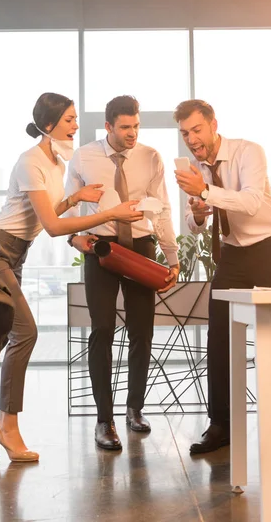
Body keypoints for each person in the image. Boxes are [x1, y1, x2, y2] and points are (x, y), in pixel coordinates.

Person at [0, 92, 143, 462]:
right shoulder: (30, 162)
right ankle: (6, 427)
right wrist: (111, 214)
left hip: (14, 254)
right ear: (48, 125)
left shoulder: (55, 162)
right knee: (25, 332)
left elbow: (47, 210)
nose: (76, 125)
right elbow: (54, 226)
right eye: (70, 119)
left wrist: (76, 199)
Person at [174, 99, 271, 457]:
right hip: (233, 255)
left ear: (213, 124)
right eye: (185, 133)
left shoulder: (248, 152)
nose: (192, 139)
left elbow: (251, 202)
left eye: (196, 129)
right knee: (219, 337)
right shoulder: (197, 169)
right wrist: (198, 212)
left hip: (270, 248)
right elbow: (194, 228)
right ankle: (221, 425)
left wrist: (204, 192)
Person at [65, 95, 179, 451]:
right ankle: (104, 419)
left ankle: (135, 408)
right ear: (109, 126)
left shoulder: (150, 157)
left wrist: (172, 255)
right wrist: (73, 238)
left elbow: (161, 210)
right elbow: (69, 206)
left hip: (141, 249)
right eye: (125, 127)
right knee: (102, 330)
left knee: (141, 331)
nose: (133, 133)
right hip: (101, 249)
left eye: (136, 126)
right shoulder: (83, 156)